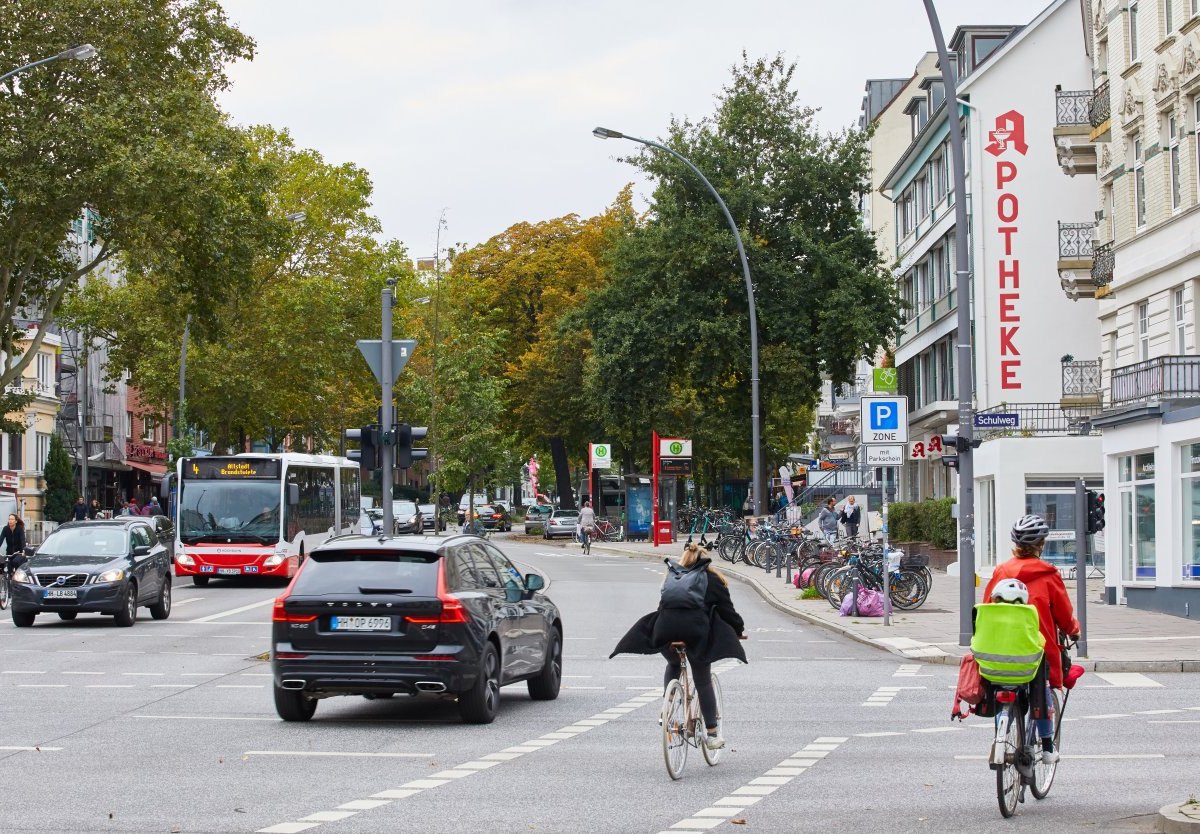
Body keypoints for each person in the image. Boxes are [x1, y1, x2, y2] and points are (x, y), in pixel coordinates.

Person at [611, 542, 748, 750]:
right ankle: (712, 734)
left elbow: (662, 606)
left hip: (665, 629)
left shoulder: (672, 577)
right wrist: (738, 630)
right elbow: (727, 611)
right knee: (702, 680)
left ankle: (667, 709)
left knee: (673, 663)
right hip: (695, 631)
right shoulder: (711, 579)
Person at [980, 515, 1081, 764]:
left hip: (999, 646)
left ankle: (999, 738)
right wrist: (1073, 630)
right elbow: (1063, 614)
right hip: (1036, 648)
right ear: (1041, 544)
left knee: (1002, 687)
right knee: (1042, 687)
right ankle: (1047, 748)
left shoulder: (1002, 571)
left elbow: (986, 605)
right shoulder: (1049, 575)